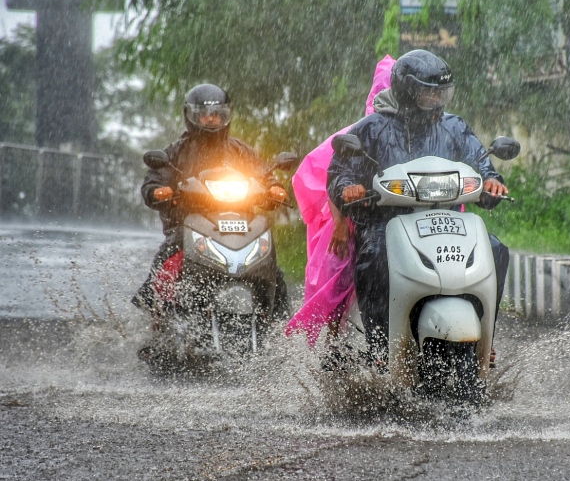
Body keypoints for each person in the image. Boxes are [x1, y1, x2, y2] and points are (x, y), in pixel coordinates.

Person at [327, 49, 510, 367]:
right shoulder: (372, 128)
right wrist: (348, 188)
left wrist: (492, 182)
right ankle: (380, 346)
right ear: (406, 90)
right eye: (428, 91)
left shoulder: (455, 127)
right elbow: (340, 171)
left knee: (496, 249)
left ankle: (486, 338)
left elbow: (481, 164)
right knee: (373, 257)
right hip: (385, 224)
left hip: (447, 222)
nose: (436, 98)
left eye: (441, 91)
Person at [132, 83, 289, 318]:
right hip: (188, 227)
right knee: (167, 254)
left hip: (241, 225)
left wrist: (274, 188)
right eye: (204, 115)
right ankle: (154, 311)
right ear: (191, 116)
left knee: (272, 269)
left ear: (226, 115)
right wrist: (157, 192)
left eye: (216, 114)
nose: (211, 120)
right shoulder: (176, 151)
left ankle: (280, 323)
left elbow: (264, 175)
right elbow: (152, 183)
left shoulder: (241, 150)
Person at [285, 55, 396, 347]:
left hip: (411, 215)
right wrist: (339, 223)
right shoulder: (359, 132)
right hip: (362, 217)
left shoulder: (423, 133)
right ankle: (333, 342)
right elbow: (333, 176)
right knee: (338, 267)